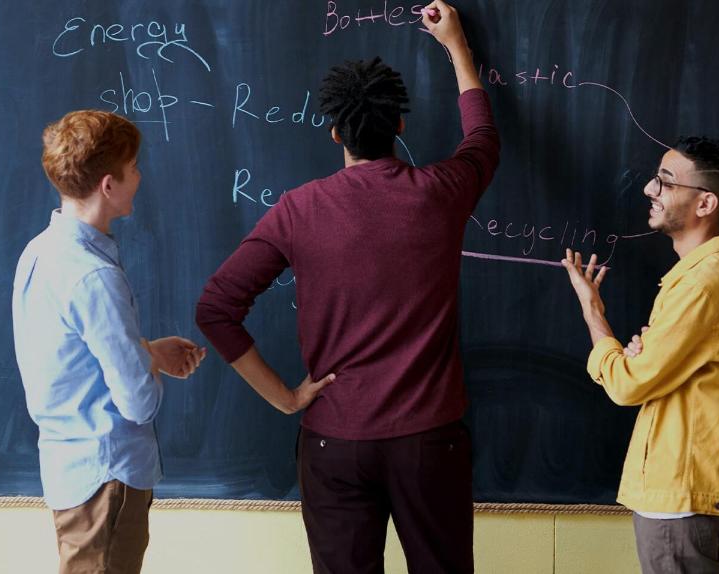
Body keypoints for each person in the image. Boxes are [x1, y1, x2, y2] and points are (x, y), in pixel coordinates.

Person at [194, 2, 499, 571]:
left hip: (334, 441)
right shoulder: (441, 191)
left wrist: (286, 397)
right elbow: (483, 138)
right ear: (400, 127)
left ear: (335, 132)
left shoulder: (298, 210)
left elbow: (216, 309)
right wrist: (456, 46)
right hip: (430, 441)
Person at [13, 110, 206, 574]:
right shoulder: (94, 275)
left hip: (72, 469)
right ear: (108, 184)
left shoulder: (40, 251)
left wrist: (148, 351)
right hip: (108, 475)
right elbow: (138, 403)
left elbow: (70, 355)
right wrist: (150, 369)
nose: (140, 176)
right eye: (134, 167)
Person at [560, 137, 719, 573]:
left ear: (705, 202)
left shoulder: (702, 285)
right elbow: (653, 371)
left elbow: (628, 385)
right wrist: (645, 357)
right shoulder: (714, 274)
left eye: (666, 183)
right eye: (656, 179)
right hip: (687, 489)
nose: (650, 190)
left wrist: (594, 313)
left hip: (680, 496)